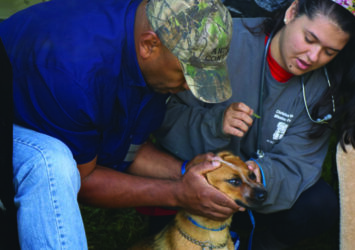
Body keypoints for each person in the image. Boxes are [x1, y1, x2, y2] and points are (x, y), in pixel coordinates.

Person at [0, 0, 244, 248]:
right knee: (53, 163)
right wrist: (179, 193)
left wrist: (185, 171)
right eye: (186, 74)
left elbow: (125, 147)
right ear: (149, 45)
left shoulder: (148, 41)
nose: (188, 88)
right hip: (12, 121)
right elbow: (83, 180)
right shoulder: (76, 75)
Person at [155, 0, 355, 248]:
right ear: (292, 12)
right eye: (309, 39)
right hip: (199, 178)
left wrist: (261, 174)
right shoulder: (222, 41)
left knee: (319, 204)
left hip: (252, 194)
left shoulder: (321, 89)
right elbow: (166, 114)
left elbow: (300, 162)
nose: (313, 57)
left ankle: (257, 238)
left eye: (329, 52)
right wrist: (215, 123)